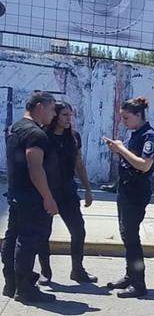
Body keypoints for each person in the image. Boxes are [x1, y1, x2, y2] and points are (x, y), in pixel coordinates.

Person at [1, 91, 59, 303]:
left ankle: (11, 284)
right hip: (32, 199)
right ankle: (24, 288)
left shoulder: (15, 127)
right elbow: (35, 167)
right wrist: (48, 197)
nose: (54, 114)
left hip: (17, 195)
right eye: (52, 109)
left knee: (13, 238)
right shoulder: (36, 134)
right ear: (40, 107)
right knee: (29, 241)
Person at [103, 97, 154, 298]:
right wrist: (118, 148)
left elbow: (144, 164)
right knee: (126, 235)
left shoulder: (150, 137)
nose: (124, 121)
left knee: (132, 237)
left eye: (127, 117)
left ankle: (139, 283)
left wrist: (121, 149)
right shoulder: (135, 134)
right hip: (126, 188)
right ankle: (130, 275)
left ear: (138, 115)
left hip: (137, 190)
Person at [37, 102, 98, 285]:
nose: (68, 119)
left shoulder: (73, 137)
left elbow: (79, 163)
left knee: (78, 230)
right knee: (43, 232)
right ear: (55, 116)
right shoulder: (43, 137)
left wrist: (88, 189)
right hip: (47, 190)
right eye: (64, 115)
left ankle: (77, 270)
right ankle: (45, 271)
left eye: (70, 115)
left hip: (68, 190)